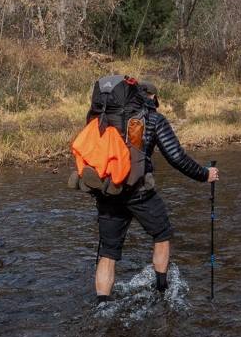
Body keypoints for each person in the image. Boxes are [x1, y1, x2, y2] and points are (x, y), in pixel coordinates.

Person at [93, 80, 217, 302]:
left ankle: (102, 305)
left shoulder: (104, 116)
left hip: (108, 190)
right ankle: (161, 291)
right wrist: (204, 174)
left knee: (108, 252)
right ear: (153, 98)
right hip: (139, 191)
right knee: (162, 234)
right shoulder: (153, 118)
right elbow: (176, 157)